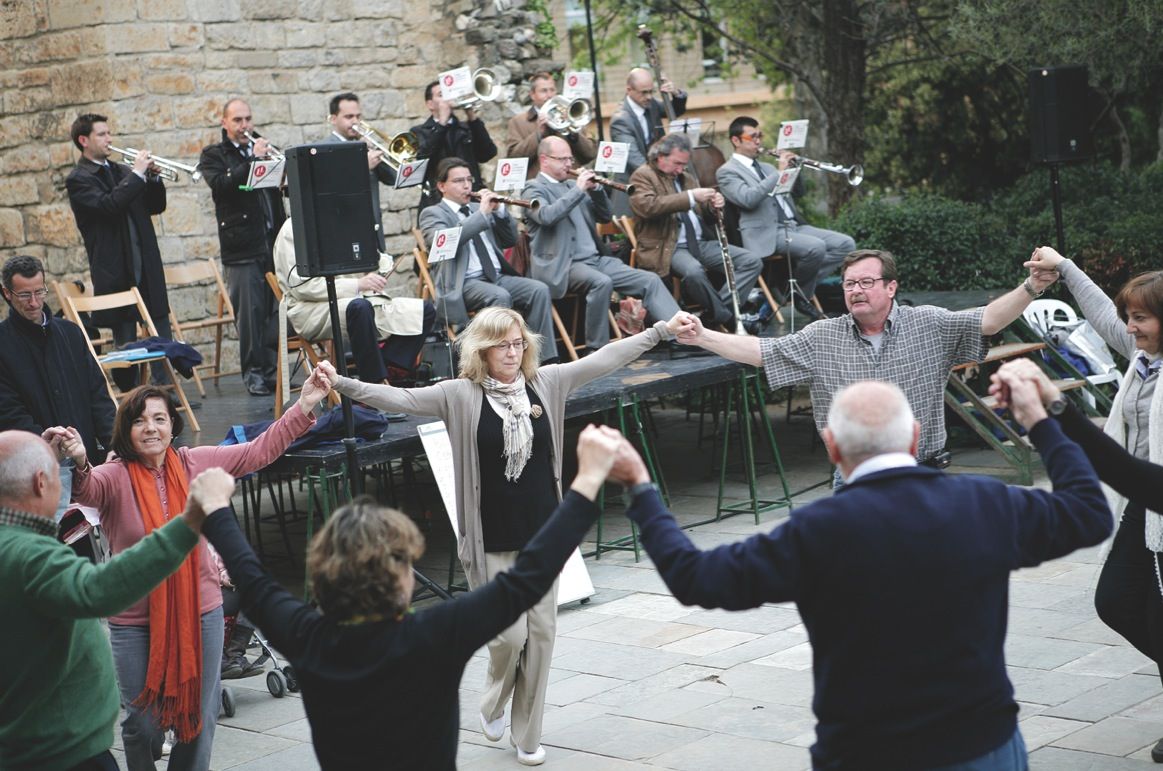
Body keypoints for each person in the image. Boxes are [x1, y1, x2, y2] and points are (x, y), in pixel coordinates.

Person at [614, 378, 1111, 770]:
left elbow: (695, 578)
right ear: (914, 436)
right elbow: (1090, 513)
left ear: (832, 447)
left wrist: (640, 489)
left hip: (865, 752)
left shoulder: (815, 531)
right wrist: (1040, 421)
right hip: (982, 744)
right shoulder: (984, 502)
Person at [315, 306, 692, 765]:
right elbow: (400, 399)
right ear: (482, 350)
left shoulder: (546, 383)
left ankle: (528, 734)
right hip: (490, 538)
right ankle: (493, 702)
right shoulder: (459, 395)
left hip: (543, 535)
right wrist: (341, 382)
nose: (513, 353)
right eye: (502, 346)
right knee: (509, 637)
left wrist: (660, 331)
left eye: (518, 344)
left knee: (542, 635)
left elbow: (604, 359)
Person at [197, 424, 624, 770]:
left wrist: (216, 509)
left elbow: (252, 581)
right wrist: (587, 479)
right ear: (402, 579)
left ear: (325, 574)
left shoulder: (307, 637)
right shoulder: (436, 634)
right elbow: (528, 579)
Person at [53, 369, 331, 770]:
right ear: (126, 430)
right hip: (134, 618)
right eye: (139, 420)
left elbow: (258, 451)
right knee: (141, 724)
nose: (150, 428)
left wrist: (304, 405)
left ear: (173, 426)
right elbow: (86, 488)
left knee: (198, 719)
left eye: (159, 418)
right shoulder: (113, 476)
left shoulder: (195, 463)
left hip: (201, 611)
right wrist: (80, 459)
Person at [677, 248, 1060, 479]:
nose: (856, 290)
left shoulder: (930, 324)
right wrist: (702, 336)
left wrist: (1033, 287)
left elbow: (988, 321)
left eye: (865, 283)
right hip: (853, 479)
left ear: (891, 287)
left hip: (922, 472)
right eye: (849, 284)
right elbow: (763, 352)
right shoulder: (821, 337)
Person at [0, 430, 218, 771]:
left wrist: (44, 461)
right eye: (58, 477)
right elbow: (96, 590)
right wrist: (188, 523)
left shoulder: (16, 542)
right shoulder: (28, 555)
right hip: (58, 752)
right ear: (41, 484)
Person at [1022, 247, 1163, 760]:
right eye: (1130, 317)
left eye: (1141, 318)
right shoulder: (1143, 361)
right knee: (1117, 602)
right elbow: (1102, 313)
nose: (1130, 327)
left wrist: (1054, 413)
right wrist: (1063, 268)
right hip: (1144, 503)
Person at [522, 136, 681, 350]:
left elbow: (605, 216)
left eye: (570, 159)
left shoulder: (572, 184)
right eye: (562, 159)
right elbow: (547, 216)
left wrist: (597, 191)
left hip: (596, 260)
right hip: (564, 265)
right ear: (544, 160)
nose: (569, 164)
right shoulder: (532, 188)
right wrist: (579, 190)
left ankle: (679, 335)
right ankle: (597, 350)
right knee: (601, 282)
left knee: (649, 279)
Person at [0, 255, 115, 517]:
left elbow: (98, 395)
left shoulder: (71, 333)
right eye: (24, 295)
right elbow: (8, 412)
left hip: (85, 459)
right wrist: (48, 448)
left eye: (39, 292)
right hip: (35, 471)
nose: (34, 302)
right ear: (7, 293)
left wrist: (114, 444)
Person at [65, 113, 173, 378]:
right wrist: (137, 174)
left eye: (109, 133)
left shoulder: (122, 171)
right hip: (115, 268)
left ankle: (166, 389)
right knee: (125, 340)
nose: (109, 139)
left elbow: (155, 206)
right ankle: (131, 394)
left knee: (160, 330)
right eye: (102, 134)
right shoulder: (79, 179)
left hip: (144, 262)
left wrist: (153, 179)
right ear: (84, 140)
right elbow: (109, 205)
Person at [716, 116, 856, 320]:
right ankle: (800, 295)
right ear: (736, 140)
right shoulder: (727, 172)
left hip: (793, 226)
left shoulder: (767, 168)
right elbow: (747, 199)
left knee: (846, 244)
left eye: (760, 135)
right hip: (766, 232)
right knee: (815, 247)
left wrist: (794, 168)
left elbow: (798, 193)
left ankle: (791, 288)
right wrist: (779, 173)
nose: (758, 141)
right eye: (752, 136)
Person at [418, 157, 555, 357]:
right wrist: (481, 215)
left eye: (469, 179)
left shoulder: (477, 209)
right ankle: (501, 358)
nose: (467, 186)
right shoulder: (432, 213)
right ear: (441, 186)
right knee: (499, 295)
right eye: (458, 181)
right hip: (462, 283)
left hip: (496, 276)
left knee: (539, 290)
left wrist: (500, 211)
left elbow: (510, 240)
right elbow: (444, 243)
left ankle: (542, 358)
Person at [272, 218, 434, 385]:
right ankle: (373, 385)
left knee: (424, 311)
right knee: (360, 308)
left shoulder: (340, 220)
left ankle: (388, 370)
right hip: (310, 308)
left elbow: (360, 263)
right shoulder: (293, 229)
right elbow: (302, 288)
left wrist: (373, 267)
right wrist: (357, 284)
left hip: (353, 300)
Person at [629, 132, 762, 330]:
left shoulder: (686, 177)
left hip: (700, 243)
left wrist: (714, 205)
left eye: (684, 164)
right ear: (660, 157)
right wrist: (690, 196)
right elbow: (648, 207)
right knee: (693, 272)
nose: (680, 169)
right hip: (668, 246)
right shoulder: (642, 175)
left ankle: (714, 316)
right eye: (677, 163)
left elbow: (704, 214)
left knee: (751, 261)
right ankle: (730, 319)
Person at [199, 98, 287, 396]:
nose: (244, 125)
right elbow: (222, 186)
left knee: (274, 312)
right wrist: (253, 160)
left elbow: (280, 189)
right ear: (224, 122)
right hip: (241, 247)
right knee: (250, 314)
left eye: (248, 118)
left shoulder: (264, 147)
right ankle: (254, 374)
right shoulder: (214, 155)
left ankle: (274, 372)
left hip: (272, 243)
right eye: (237, 120)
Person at [324, 91, 397, 251]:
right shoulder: (324, 149)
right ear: (333, 119)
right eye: (349, 117)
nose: (355, 121)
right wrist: (362, 167)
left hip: (373, 228)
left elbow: (392, 178)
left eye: (358, 116)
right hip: (345, 230)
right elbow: (331, 190)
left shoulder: (365, 145)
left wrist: (377, 149)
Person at [412, 80, 498, 215]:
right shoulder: (420, 132)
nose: (447, 98)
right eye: (441, 95)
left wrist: (472, 116)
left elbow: (487, 154)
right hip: (437, 201)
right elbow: (423, 158)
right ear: (430, 104)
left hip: (472, 197)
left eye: (449, 93)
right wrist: (442, 123)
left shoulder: (467, 127)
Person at [505, 71, 597, 180]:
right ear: (532, 95)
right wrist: (538, 134)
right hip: (538, 185)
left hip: (571, 184)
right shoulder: (518, 122)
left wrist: (573, 134)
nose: (549, 95)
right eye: (543, 91)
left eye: (552, 90)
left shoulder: (571, 117)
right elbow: (514, 159)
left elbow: (590, 154)